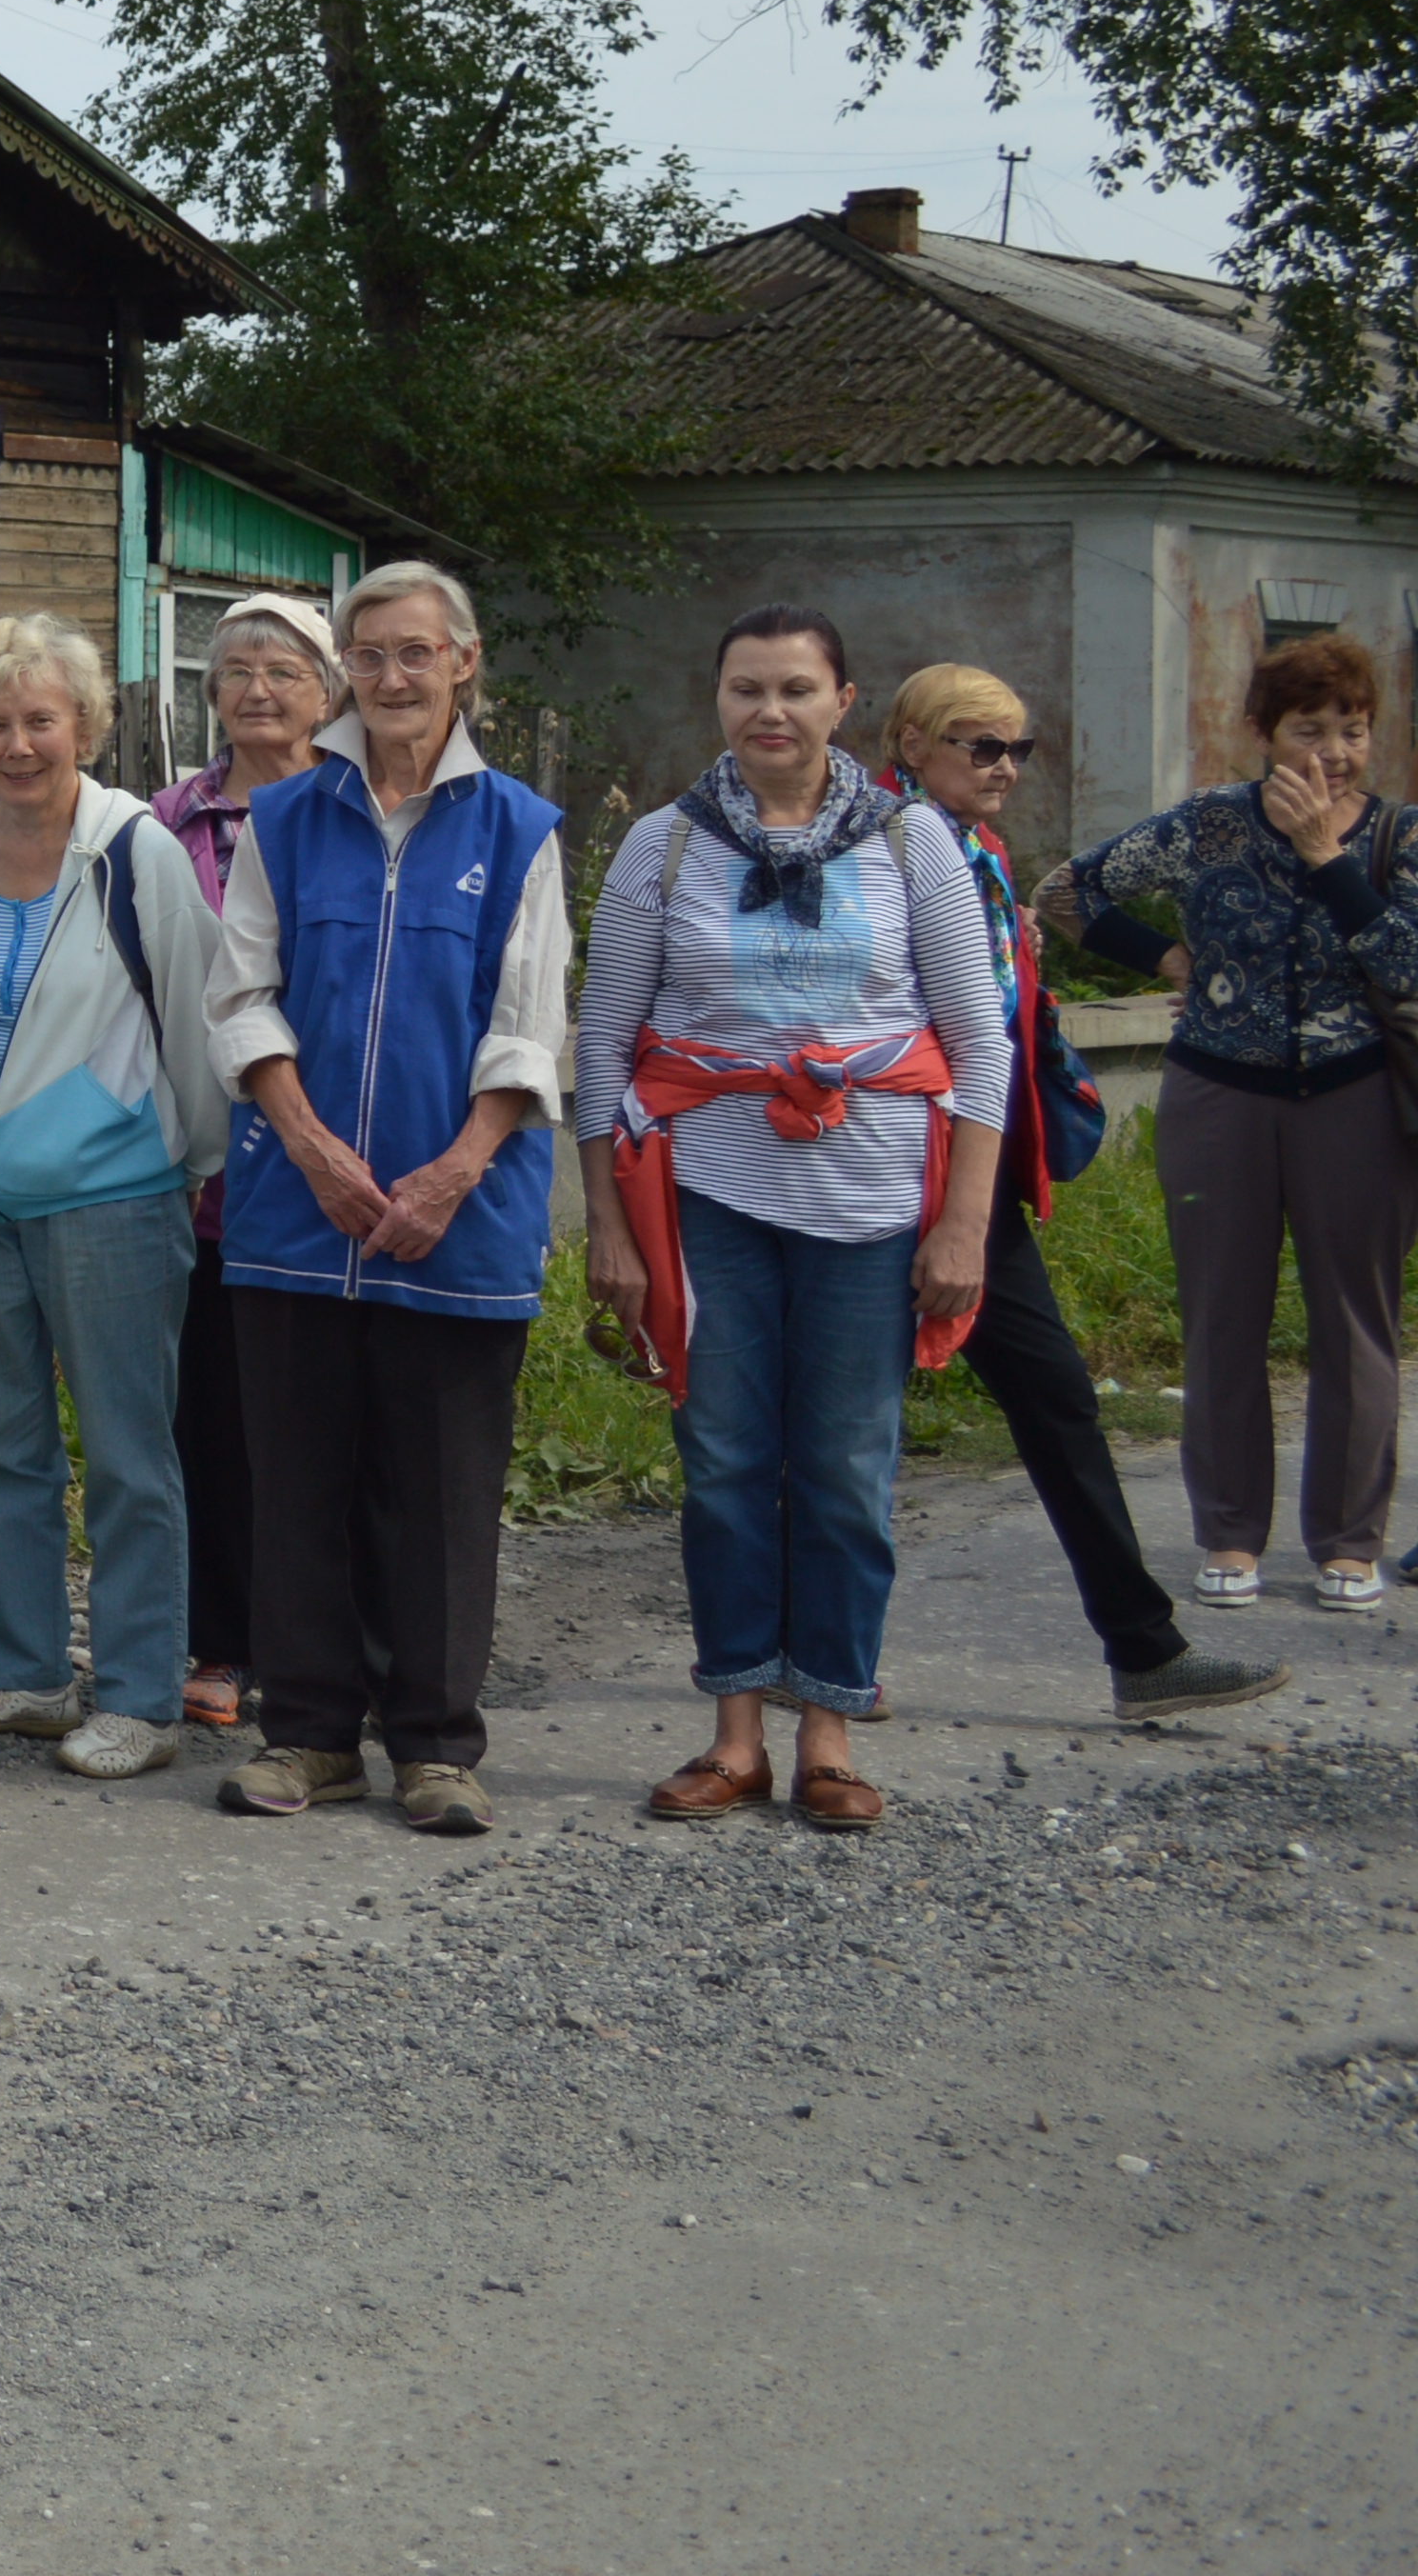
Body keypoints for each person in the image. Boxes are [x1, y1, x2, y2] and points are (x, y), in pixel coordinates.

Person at [578, 604, 1011, 1836]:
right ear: (717, 705)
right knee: (722, 1470)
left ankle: (828, 1730)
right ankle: (732, 1737)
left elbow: (979, 1048)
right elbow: (603, 1045)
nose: (770, 712)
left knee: (843, 1473)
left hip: (873, 1208)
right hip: (710, 1200)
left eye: (795, 690)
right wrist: (609, 1224)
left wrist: (964, 1225)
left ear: (843, 704)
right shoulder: (665, 846)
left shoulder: (913, 844)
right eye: (746, 691)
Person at [200, 561, 573, 1835]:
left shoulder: (520, 828)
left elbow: (530, 1029)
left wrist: (456, 1169)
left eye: (418, 652)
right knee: (295, 1477)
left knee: (440, 1489)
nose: (394, 676)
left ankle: (433, 1743)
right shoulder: (290, 819)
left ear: (464, 661)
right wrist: (304, 1144)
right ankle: (305, 1734)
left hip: (456, 1211)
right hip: (298, 1207)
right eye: (370, 653)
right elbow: (240, 998)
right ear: (347, 669)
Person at [879, 666, 1282, 1718]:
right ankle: (818, 1655)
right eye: (980, 745)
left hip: (975, 1185)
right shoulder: (877, 853)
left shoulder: (981, 853)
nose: (1004, 767)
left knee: (1057, 1402)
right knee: (851, 1425)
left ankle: (1142, 1652)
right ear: (911, 744)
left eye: (1019, 748)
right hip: (881, 1176)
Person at [0, 618, 232, 1781]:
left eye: (40, 718)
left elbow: (195, 1016)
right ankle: (28, 1675)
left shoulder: (132, 849)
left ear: (84, 726)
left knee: (131, 1453)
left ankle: (141, 1693)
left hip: (113, 1197)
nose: (18, 742)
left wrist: (182, 1156)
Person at [1050, 632, 1418, 1617]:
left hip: (1354, 1095)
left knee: (1356, 1323)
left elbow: (1409, 962)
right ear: (1261, 733)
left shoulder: (1397, 838)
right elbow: (1065, 892)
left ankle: (1347, 1543)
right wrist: (1167, 958)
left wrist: (1326, 859)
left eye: (1353, 729)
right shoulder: (1210, 825)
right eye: (1310, 729)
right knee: (1222, 1317)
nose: (1334, 751)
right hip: (1217, 1094)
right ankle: (1227, 1532)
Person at [148, 590, 343, 1732]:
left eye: (283, 669)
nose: (257, 689)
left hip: (335, 1157)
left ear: (330, 688)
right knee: (211, 1418)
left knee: (325, 1416)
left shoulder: (358, 810)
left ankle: (326, 1640)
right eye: (235, 671)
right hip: (206, 1174)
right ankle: (220, 1643)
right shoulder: (164, 824)